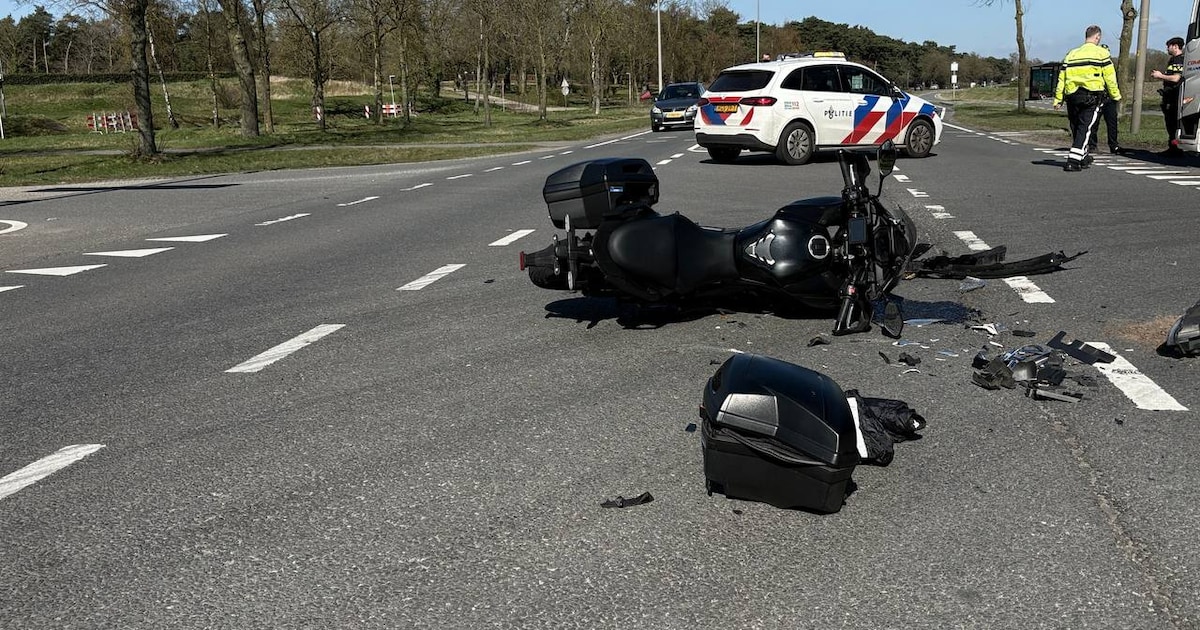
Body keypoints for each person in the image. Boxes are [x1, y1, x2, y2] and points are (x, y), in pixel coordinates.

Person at [1053, 25, 1121, 171]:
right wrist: (1115, 96)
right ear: (1097, 37)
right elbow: (1110, 77)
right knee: (1085, 127)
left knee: (1077, 127)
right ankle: (1073, 160)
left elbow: (1062, 78)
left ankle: (1083, 157)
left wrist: (1058, 99)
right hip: (1092, 95)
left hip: (1072, 95)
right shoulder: (1102, 53)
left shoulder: (1071, 54)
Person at [1151, 36, 1185, 155]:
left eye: (1169, 46)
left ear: (1175, 46)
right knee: (1171, 124)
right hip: (1170, 96)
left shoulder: (1178, 60)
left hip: (1173, 97)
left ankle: (1175, 149)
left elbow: (1176, 78)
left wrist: (1160, 76)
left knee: (1172, 124)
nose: (1167, 49)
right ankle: (1173, 147)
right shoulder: (1174, 60)